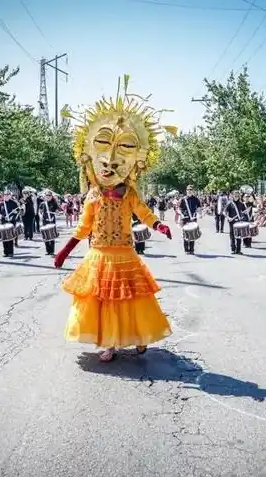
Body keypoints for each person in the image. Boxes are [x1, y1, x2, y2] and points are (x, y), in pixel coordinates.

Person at [54, 77, 173, 362]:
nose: (109, 167)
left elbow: (143, 212)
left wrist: (159, 224)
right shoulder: (93, 196)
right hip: (99, 256)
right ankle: (110, 344)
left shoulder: (130, 193)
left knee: (132, 301)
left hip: (124, 254)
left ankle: (140, 337)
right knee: (104, 301)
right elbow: (84, 227)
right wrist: (65, 250)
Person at [179, 185, 201, 255]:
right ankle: (186, 250)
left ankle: (192, 249)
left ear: (193, 190)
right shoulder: (183, 199)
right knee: (186, 234)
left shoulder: (196, 199)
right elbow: (179, 208)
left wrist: (199, 214)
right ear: (186, 191)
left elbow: (199, 208)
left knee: (192, 234)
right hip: (185, 218)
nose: (189, 191)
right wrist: (182, 215)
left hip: (193, 218)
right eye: (188, 190)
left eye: (191, 189)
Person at [0, 191, 20, 257]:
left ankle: (11, 252)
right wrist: (0, 216)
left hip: (11, 222)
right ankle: (5, 252)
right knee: (4, 237)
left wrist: (13, 215)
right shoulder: (1, 204)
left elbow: (17, 212)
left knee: (10, 237)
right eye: (5, 195)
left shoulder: (14, 203)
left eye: (8, 194)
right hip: (3, 221)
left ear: (10, 195)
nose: (6, 196)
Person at [225, 190, 246, 255]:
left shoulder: (241, 204)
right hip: (232, 222)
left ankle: (238, 250)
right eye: (235, 195)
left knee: (239, 236)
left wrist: (244, 214)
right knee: (232, 236)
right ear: (233, 196)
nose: (236, 197)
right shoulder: (230, 203)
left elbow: (244, 212)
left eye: (237, 196)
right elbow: (224, 212)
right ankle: (233, 249)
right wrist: (228, 218)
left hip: (239, 221)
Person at [39, 190, 59, 255]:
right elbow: (40, 211)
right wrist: (40, 216)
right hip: (45, 221)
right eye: (47, 195)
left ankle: (52, 251)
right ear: (45, 196)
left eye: (49, 195)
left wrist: (56, 212)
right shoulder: (42, 204)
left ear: (51, 196)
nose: (48, 197)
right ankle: (48, 251)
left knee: (51, 236)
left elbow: (57, 210)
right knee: (46, 236)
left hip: (52, 221)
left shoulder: (54, 203)